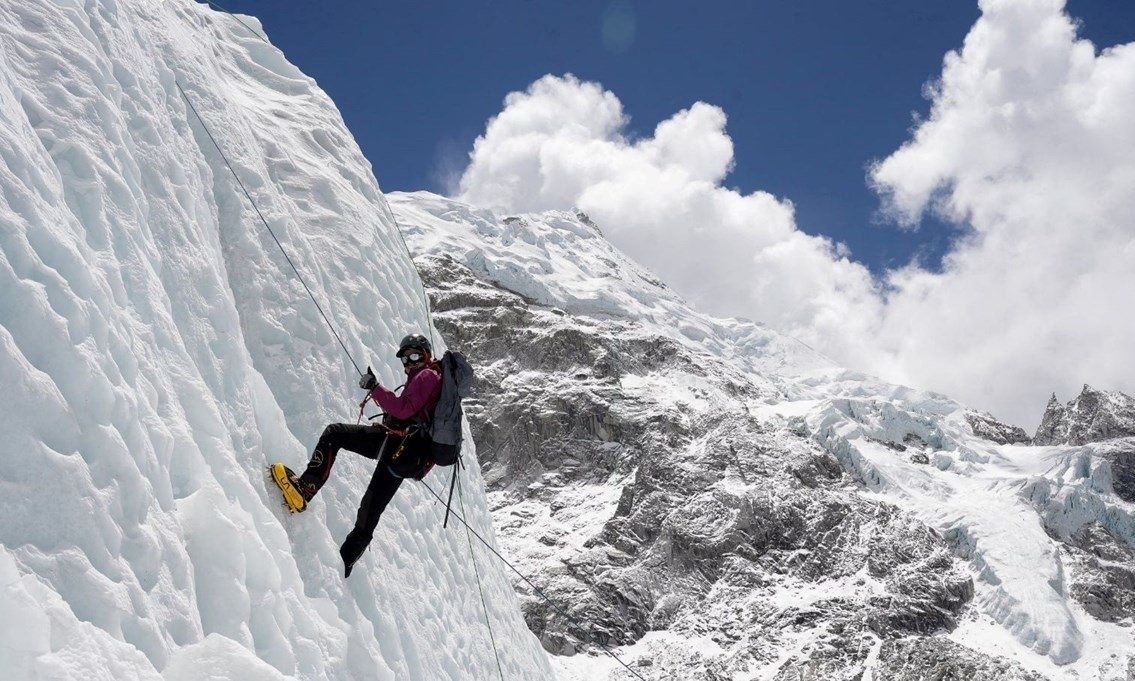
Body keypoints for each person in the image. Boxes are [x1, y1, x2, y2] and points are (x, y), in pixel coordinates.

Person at [288, 333, 441, 577]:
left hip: (397, 445)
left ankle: (307, 486)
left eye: (414, 355)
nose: (409, 363)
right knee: (371, 507)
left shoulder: (427, 376)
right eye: (405, 358)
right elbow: (408, 411)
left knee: (334, 433)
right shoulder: (429, 378)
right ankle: (346, 560)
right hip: (407, 458)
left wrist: (374, 388)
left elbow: (402, 411)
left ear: (426, 354)